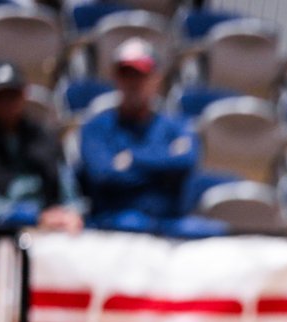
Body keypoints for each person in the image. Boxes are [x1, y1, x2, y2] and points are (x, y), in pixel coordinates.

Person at [79, 38, 226, 238]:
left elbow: (186, 161)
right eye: (126, 74)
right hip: (115, 224)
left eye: (140, 75)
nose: (133, 83)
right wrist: (163, 167)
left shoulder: (176, 125)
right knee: (132, 223)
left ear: (156, 78)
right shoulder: (96, 127)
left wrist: (132, 158)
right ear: (116, 78)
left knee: (214, 232)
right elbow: (104, 175)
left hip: (169, 221)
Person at [0, 61, 83, 232]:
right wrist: (30, 217)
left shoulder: (44, 137)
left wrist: (71, 214)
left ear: (25, 94)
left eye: (13, 95)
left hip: (49, 230)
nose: (8, 103)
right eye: (0, 97)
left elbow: (69, 191)